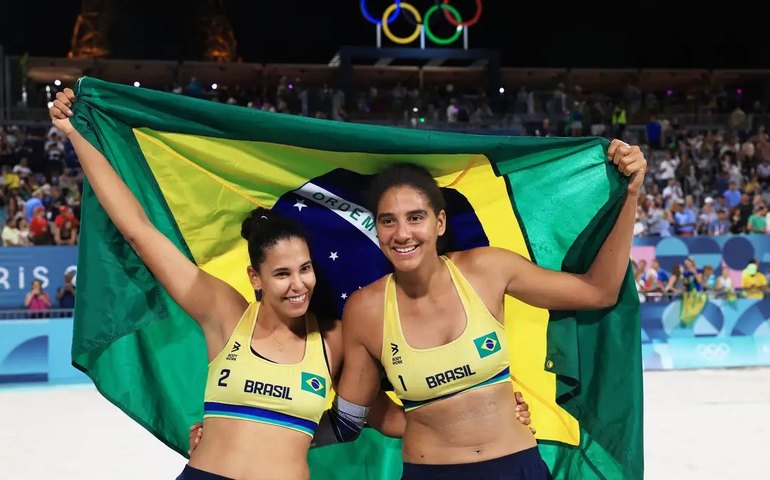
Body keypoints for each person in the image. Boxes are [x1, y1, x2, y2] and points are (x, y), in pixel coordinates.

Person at [51, 87, 535, 480]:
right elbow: (139, 232)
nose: (299, 284)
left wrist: (480, 421)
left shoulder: (335, 338)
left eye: (305, 269)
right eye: (282, 274)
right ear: (254, 279)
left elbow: (360, 418)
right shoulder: (224, 315)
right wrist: (77, 134)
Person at [330, 139, 645, 479]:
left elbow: (598, 292)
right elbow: (354, 413)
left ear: (440, 223)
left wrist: (630, 195)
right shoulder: (367, 308)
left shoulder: (486, 270)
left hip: (516, 466)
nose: (402, 233)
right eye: (388, 221)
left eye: (415, 217)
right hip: (430, 471)